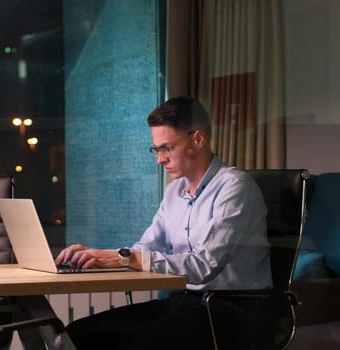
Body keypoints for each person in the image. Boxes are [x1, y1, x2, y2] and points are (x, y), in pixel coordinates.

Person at [55, 96, 271, 349]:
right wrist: (99, 257)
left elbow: (204, 265)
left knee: (144, 342)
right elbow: (147, 247)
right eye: (156, 149)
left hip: (232, 311)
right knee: (76, 334)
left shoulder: (235, 187)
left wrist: (125, 258)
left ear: (197, 140)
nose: (160, 159)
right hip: (185, 302)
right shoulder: (174, 191)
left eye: (166, 148)